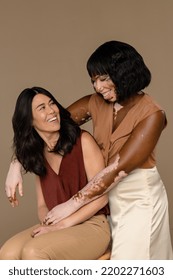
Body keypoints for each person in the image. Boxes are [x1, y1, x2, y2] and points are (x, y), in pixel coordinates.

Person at [5, 40, 173, 259]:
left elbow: (117, 170)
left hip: (137, 198)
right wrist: (16, 163)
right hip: (103, 200)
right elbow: (48, 126)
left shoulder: (152, 115)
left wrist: (70, 205)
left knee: (130, 267)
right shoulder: (95, 102)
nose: (98, 87)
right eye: (94, 80)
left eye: (104, 79)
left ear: (125, 73)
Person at [0, 86, 110, 260]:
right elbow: (43, 205)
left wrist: (61, 226)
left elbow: (102, 196)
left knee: (34, 252)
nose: (52, 110)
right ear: (29, 120)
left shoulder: (83, 141)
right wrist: (49, 224)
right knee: (7, 253)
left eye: (52, 104)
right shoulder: (37, 154)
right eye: (42, 108)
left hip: (93, 225)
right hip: (59, 226)